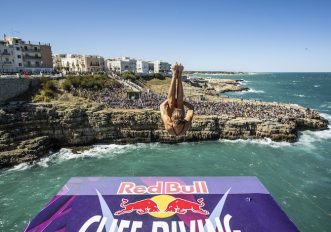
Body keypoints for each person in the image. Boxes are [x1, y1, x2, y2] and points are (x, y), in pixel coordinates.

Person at [160, 63, 194, 136]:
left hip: (172, 129)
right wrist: (180, 101)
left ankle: (176, 74)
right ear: (183, 118)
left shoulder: (169, 124)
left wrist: (169, 100)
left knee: (172, 102)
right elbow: (191, 108)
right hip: (181, 128)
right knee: (177, 102)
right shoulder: (186, 123)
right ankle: (177, 75)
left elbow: (162, 106)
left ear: (172, 118)